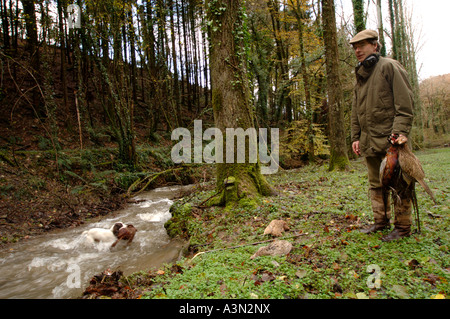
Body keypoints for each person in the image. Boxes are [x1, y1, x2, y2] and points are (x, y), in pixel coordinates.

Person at [350, 30, 414, 242]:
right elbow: (356, 110)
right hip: (369, 140)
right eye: (355, 47)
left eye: (362, 45)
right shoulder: (360, 75)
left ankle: (403, 228)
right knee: (375, 183)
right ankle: (381, 222)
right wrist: (355, 136)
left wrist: (400, 132)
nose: (357, 50)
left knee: (400, 184)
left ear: (375, 46)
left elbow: (405, 104)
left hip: (391, 140)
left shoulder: (389, 66)